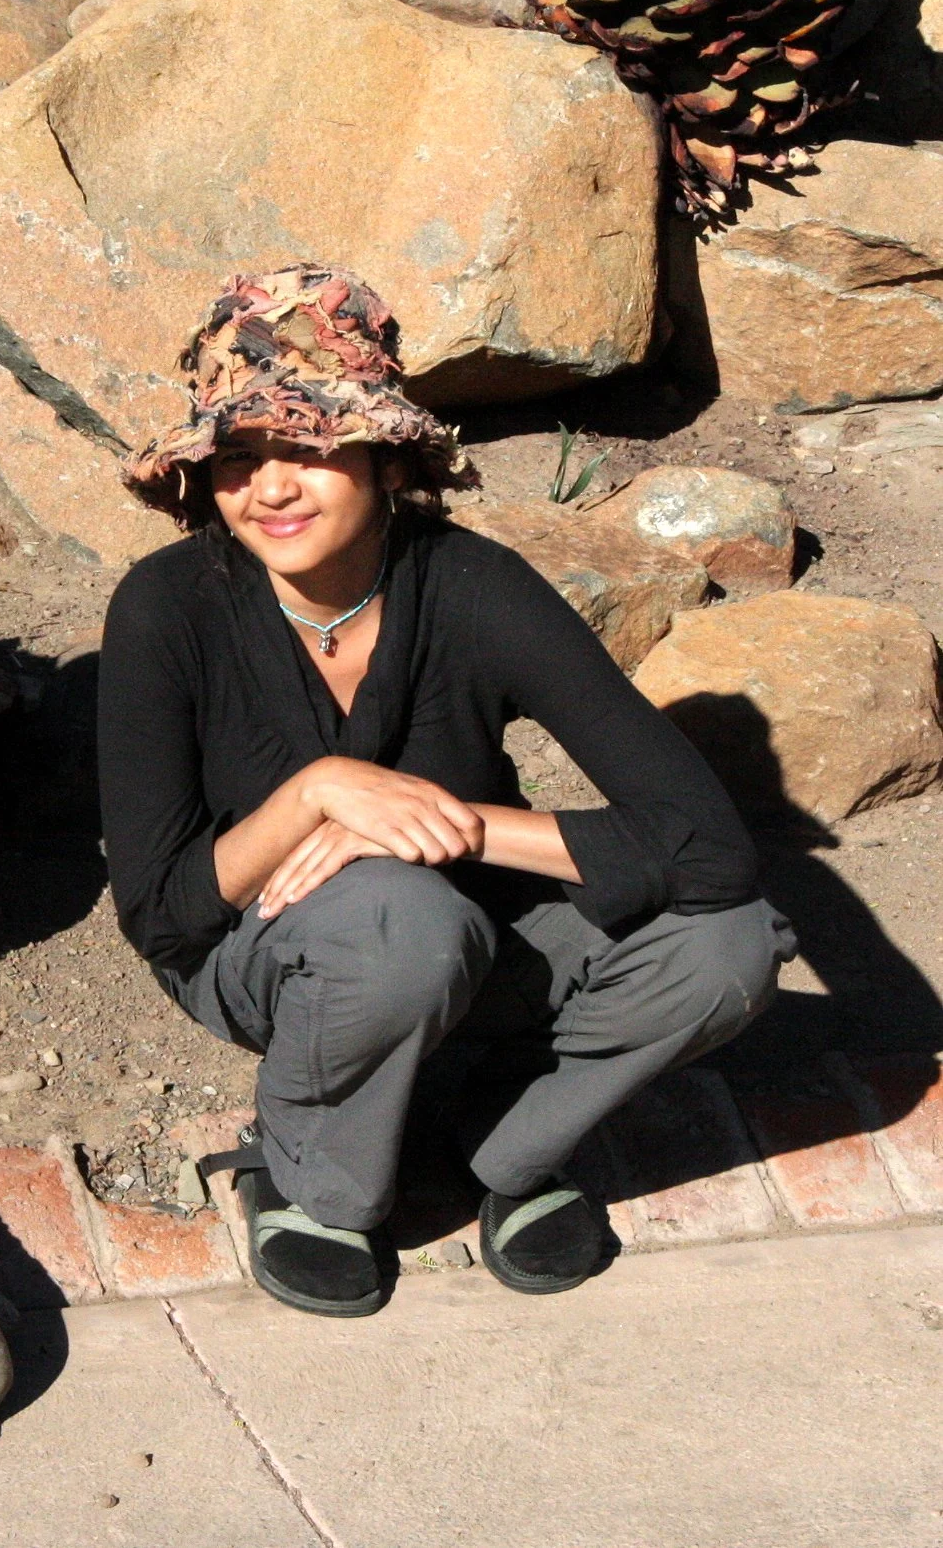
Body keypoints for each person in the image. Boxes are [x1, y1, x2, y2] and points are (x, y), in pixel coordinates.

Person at [97, 263, 796, 1317]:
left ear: (386, 458)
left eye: (308, 447)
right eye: (238, 458)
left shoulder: (474, 586)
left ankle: (508, 1137)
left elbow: (711, 851)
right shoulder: (167, 607)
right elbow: (160, 913)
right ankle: (313, 1174)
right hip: (269, 953)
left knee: (727, 946)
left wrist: (458, 827)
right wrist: (319, 793)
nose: (270, 489)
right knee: (396, 919)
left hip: (474, 934)